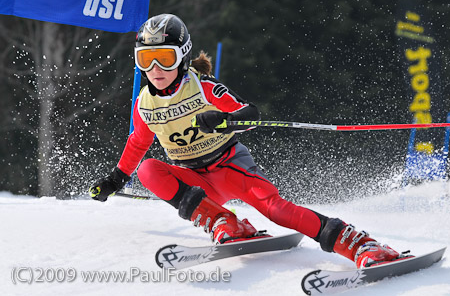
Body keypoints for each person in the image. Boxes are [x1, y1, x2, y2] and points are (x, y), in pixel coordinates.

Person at [89, 13, 401, 268]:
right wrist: (116, 179)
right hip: (198, 181)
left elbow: (250, 114)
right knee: (148, 170)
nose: (155, 69)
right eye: (147, 59)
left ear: (182, 56)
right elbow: (138, 142)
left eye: (165, 58)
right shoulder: (145, 103)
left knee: (278, 211)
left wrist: (224, 121)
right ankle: (224, 221)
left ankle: (362, 245)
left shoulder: (203, 87)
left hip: (230, 168)